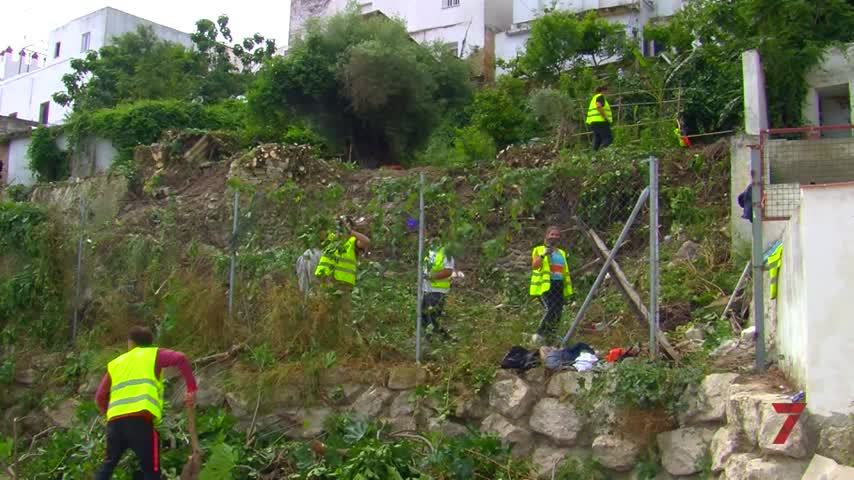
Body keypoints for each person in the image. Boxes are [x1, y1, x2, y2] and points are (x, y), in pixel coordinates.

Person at [95, 326, 198, 480]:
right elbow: (181, 358)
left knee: (107, 467)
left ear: (130, 343)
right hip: (140, 423)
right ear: (150, 343)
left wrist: (109, 415)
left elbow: (100, 397)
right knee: (151, 470)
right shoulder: (154, 355)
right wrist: (191, 389)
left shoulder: (116, 363)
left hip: (115, 425)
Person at [530, 226, 574, 345]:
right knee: (550, 309)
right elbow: (535, 266)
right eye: (552, 234)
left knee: (558, 312)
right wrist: (544, 254)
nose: (554, 237)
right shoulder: (539, 250)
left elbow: (563, 270)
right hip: (546, 284)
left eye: (557, 235)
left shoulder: (562, 253)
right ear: (546, 235)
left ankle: (551, 337)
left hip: (558, 284)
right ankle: (539, 335)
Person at [315, 216, 371, 288]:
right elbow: (320, 237)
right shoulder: (332, 238)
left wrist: (350, 231)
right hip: (325, 280)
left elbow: (366, 241)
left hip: (342, 283)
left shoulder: (353, 241)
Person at [421, 242, 456, 340]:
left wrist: (430, 276)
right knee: (424, 316)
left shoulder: (446, 252)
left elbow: (448, 271)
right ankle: (435, 339)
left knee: (432, 317)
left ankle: (434, 340)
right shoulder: (429, 250)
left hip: (438, 291)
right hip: (426, 289)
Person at [586, 86, 613, 151]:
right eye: (607, 91)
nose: (608, 93)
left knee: (597, 140)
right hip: (600, 121)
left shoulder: (594, 98)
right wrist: (605, 117)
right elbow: (598, 106)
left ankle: (594, 155)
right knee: (608, 138)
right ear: (603, 91)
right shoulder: (600, 96)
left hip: (593, 122)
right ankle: (602, 152)